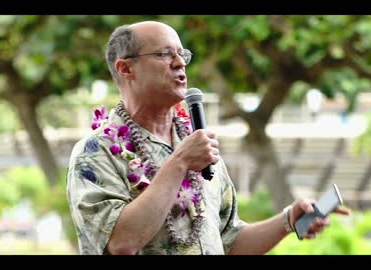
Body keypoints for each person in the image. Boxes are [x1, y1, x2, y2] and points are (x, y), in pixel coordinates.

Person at [66, 20, 350, 255]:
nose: (179, 63)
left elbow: (229, 241)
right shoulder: (96, 151)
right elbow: (121, 241)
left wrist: (287, 221)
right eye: (164, 54)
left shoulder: (197, 145)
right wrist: (179, 163)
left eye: (182, 54)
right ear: (126, 68)